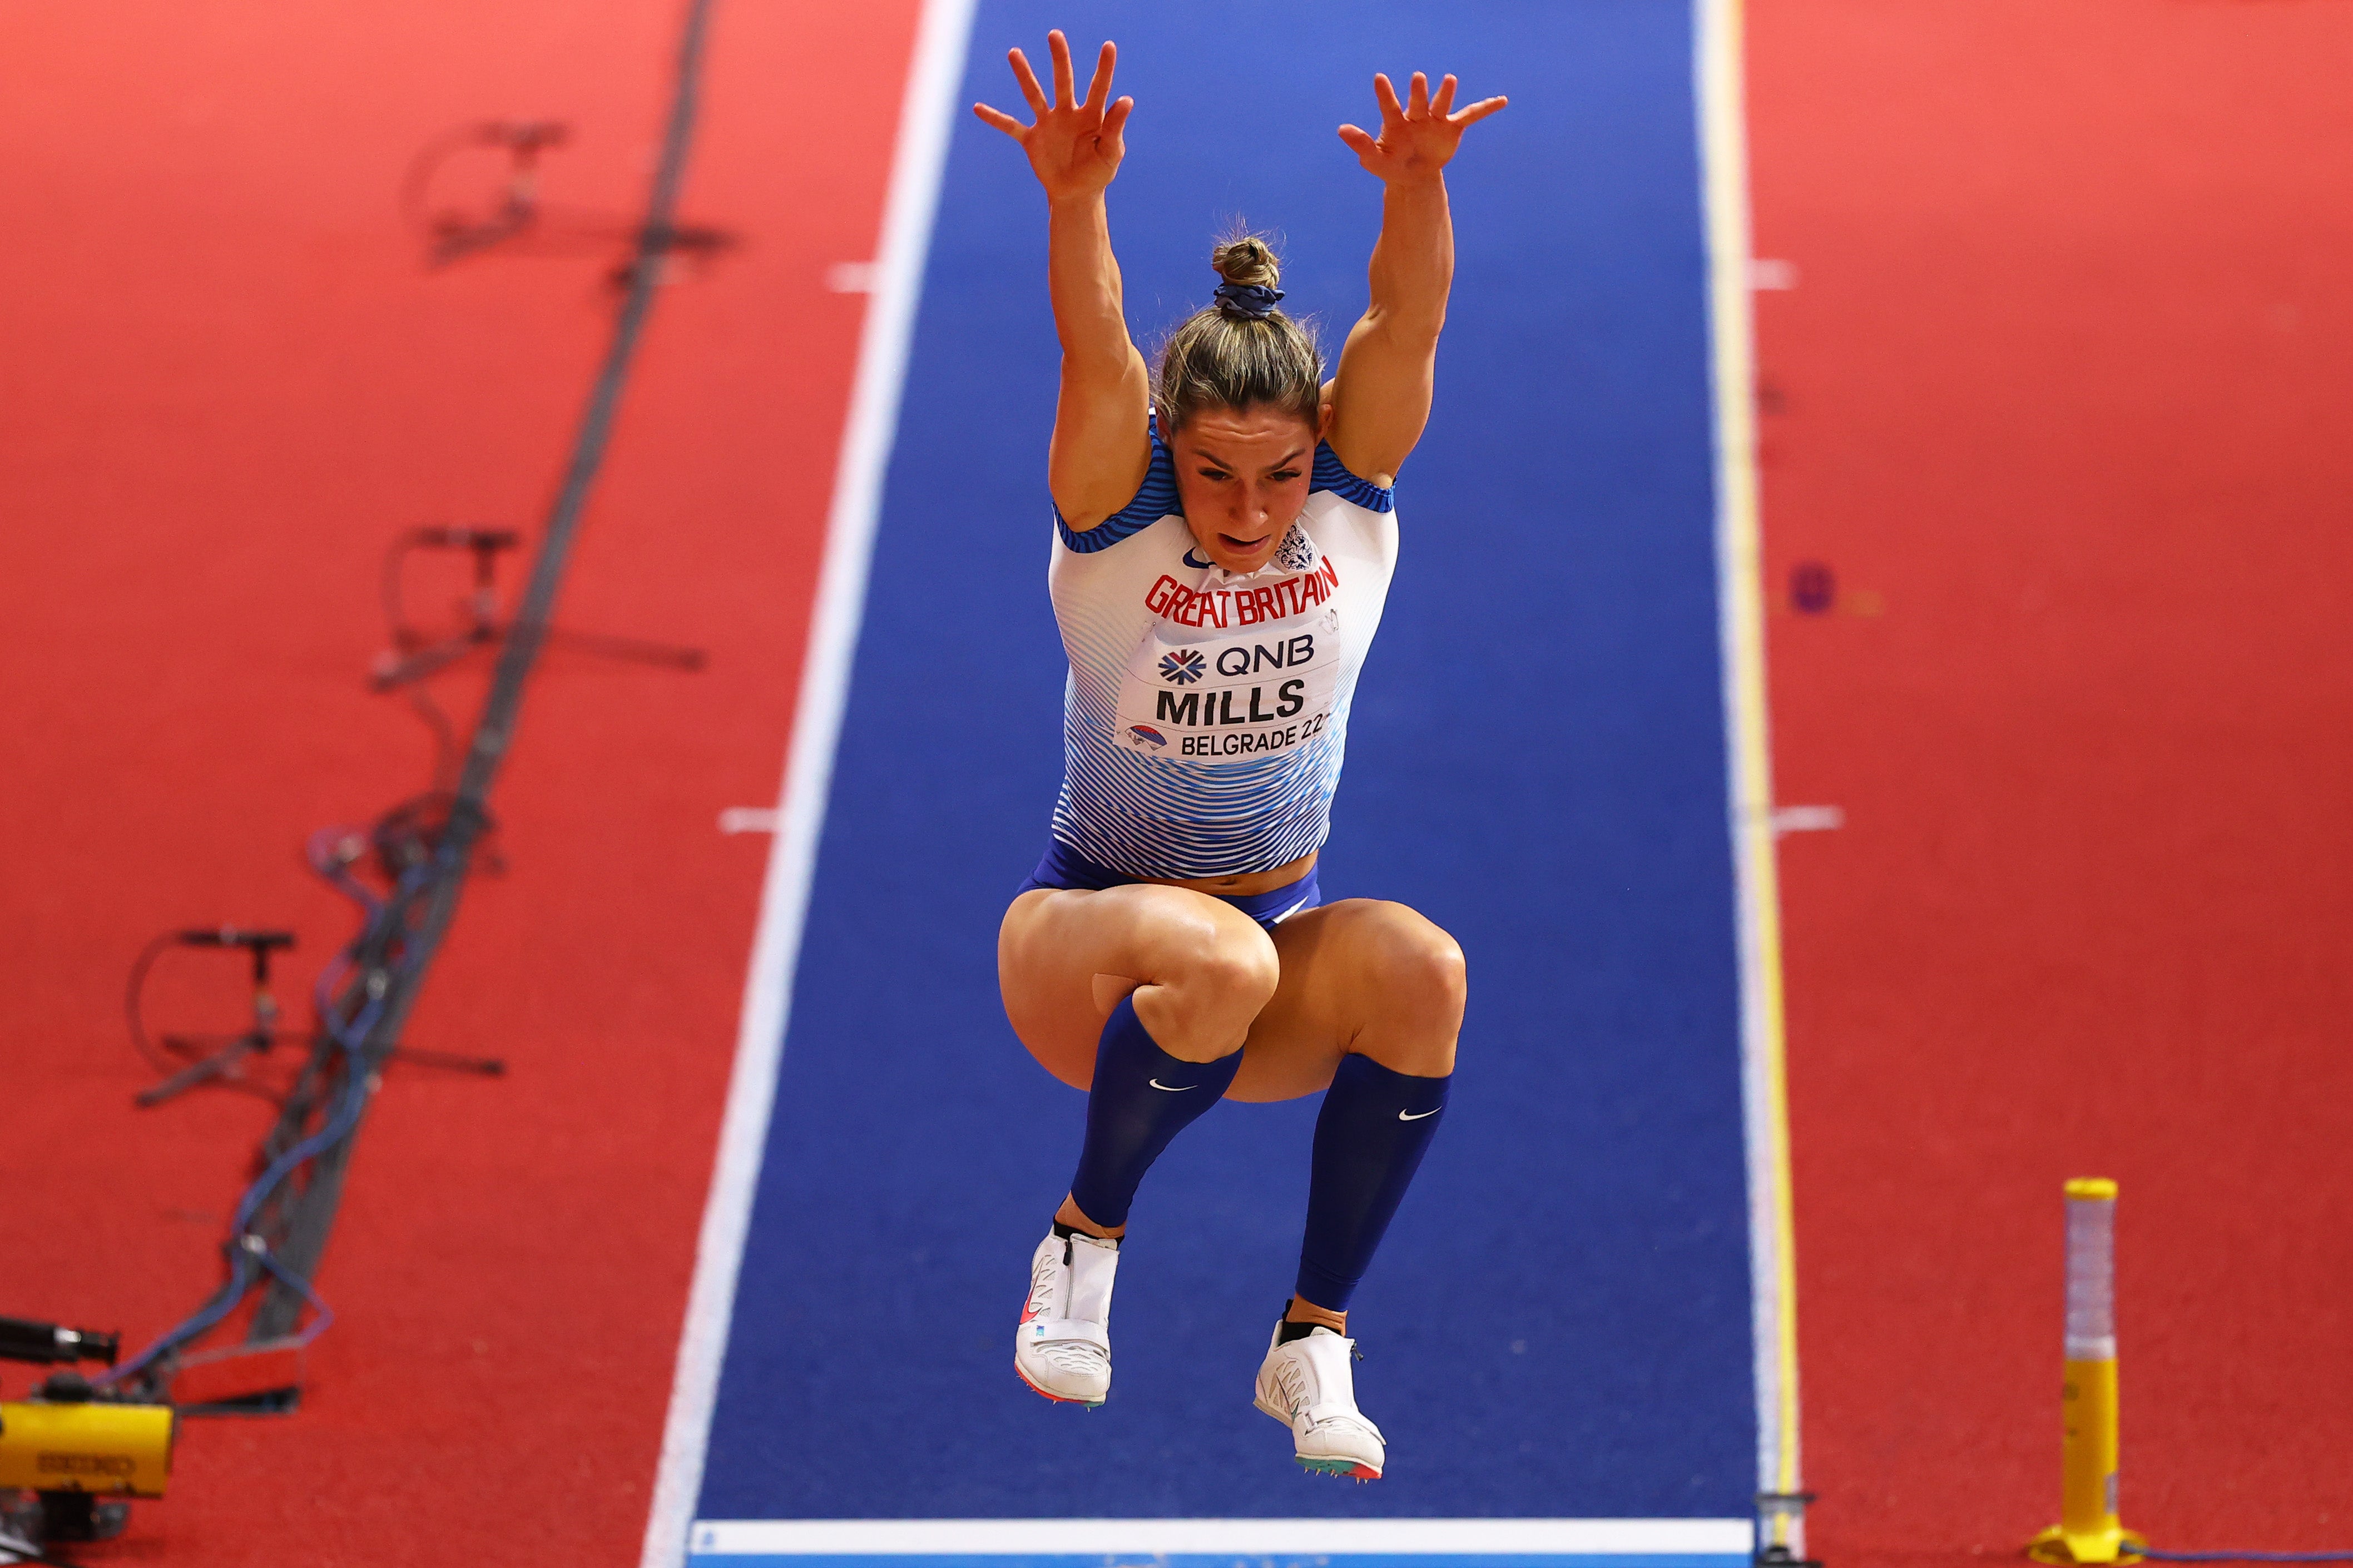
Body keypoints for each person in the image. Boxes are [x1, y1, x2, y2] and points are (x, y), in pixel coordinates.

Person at [974, 31, 1504, 1482]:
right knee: (1222, 963)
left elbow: (1408, 321)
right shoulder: (1117, 510)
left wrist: (1416, 187)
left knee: (1423, 970)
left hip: (1259, 951)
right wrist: (1074, 203)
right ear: (1168, 450)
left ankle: (1311, 1338)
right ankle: (1079, 1245)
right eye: (1214, 471)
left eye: (1279, 473)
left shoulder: (1350, 495)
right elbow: (1096, 347)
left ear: (1317, 448)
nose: (1252, 506)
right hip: (1086, 945)